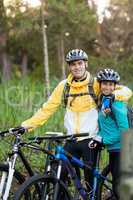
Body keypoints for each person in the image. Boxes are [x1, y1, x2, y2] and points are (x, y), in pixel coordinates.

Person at [21, 49, 132, 190]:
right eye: (73, 64)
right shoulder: (64, 86)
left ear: (85, 64)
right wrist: (26, 126)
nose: (77, 67)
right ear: (69, 67)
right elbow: (47, 109)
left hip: (91, 139)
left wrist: (113, 96)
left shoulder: (97, 83)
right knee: (59, 175)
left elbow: (126, 91)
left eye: (80, 63)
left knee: (89, 182)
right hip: (72, 139)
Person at [89, 68, 130, 199]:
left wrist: (103, 141)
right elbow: (105, 126)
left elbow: (124, 130)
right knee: (116, 186)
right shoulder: (103, 101)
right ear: (100, 85)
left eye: (111, 84)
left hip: (122, 149)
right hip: (113, 150)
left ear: (115, 86)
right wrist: (97, 138)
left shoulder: (116, 103)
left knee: (119, 189)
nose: (108, 87)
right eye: (105, 83)